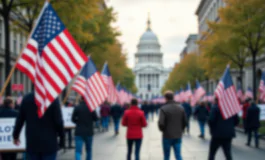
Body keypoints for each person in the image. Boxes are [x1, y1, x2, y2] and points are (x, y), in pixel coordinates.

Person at [13, 93, 64, 160]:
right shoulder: (53, 99)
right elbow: (59, 122)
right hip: (49, 143)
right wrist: (62, 139)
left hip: (32, 142)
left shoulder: (27, 99)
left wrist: (15, 135)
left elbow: (20, 120)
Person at [158, 91, 187, 160]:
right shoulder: (181, 108)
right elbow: (185, 122)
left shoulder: (163, 108)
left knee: (166, 156)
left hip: (167, 135)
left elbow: (161, 123)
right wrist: (181, 130)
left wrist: (164, 130)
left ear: (166, 98)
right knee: (178, 155)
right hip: (178, 135)